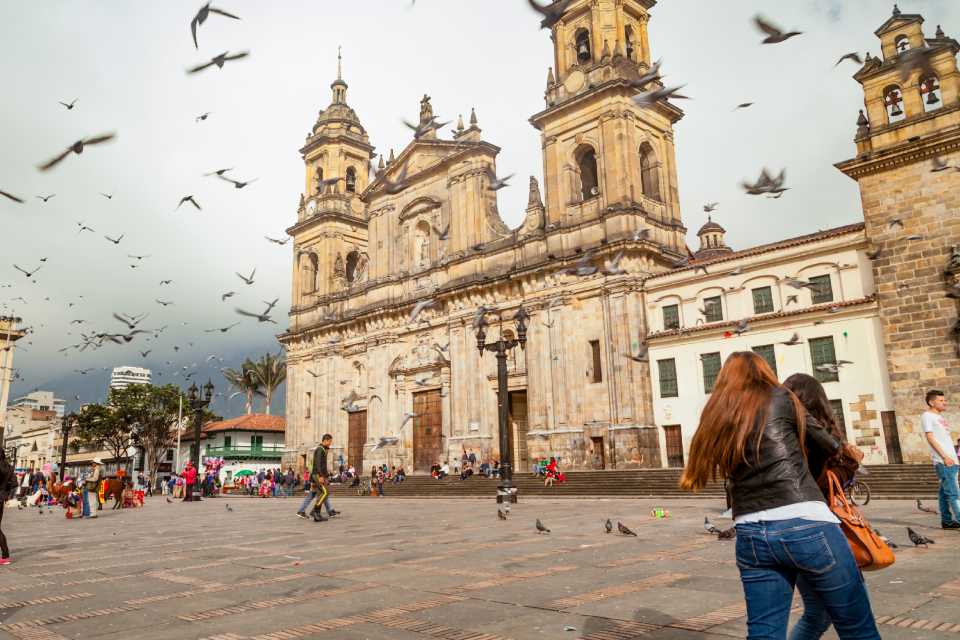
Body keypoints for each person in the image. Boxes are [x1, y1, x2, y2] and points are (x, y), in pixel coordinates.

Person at [681, 352, 880, 639]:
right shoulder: (782, 397)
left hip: (750, 533)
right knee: (857, 628)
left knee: (764, 633)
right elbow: (830, 444)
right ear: (763, 372)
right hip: (805, 522)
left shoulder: (717, 412)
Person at [783, 373, 865, 640]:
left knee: (818, 614)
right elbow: (818, 485)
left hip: (788, 527)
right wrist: (849, 465)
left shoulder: (782, 431)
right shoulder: (815, 434)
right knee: (849, 609)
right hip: (819, 529)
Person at [922, 390, 960, 529]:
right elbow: (930, 437)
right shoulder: (927, 416)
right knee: (954, 493)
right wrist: (944, 457)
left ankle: (947, 521)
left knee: (944, 493)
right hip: (943, 460)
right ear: (932, 402)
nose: (945, 402)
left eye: (945, 400)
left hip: (952, 460)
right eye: (941, 400)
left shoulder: (940, 417)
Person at [297, 434, 338, 521]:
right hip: (317, 476)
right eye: (330, 441)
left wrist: (326, 476)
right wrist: (320, 476)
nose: (330, 443)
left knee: (320, 493)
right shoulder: (320, 449)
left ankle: (317, 513)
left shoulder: (322, 449)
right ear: (325, 440)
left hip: (317, 475)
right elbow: (318, 464)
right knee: (324, 492)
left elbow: (322, 465)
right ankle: (315, 512)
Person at [0, 449, 16, 565]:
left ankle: (5, 555)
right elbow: (15, 483)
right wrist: (6, 493)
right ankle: (5, 555)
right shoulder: (9, 467)